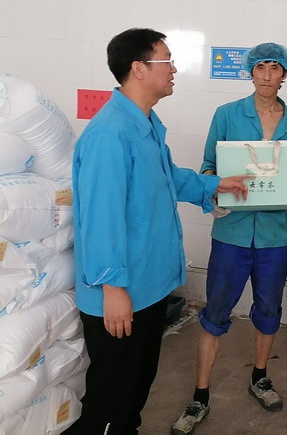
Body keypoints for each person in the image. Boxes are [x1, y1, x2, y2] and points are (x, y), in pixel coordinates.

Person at [68, 28, 249, 435]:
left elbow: (168, 177)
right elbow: (100, 218)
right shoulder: (110, 134)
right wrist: (112, 288)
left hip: (147, 286)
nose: (174, 69)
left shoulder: (145, 123)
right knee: (111, 399)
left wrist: (215, 184)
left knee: (135, 389)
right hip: (121, 293)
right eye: (167, 61)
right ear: (139, 68)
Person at [171, 42, 287, 435]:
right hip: (232, 231)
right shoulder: (227, 114)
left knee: (268, 309)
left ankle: (260, 377)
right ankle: (200, 395)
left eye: (275, 68)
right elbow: (208, 164)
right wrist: (213, 195)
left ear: (284, 74)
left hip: (275, 234)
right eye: (261, 67)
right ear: (251, 72)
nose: (267, 75)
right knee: (215, 312)